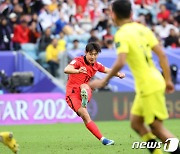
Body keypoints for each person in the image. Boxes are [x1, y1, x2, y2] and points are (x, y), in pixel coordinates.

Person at [90, 0, 180, 154]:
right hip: (154, 80)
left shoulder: (121, 34)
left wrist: (104, 80)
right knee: (136, 123)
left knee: (157, 129)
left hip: (148, 85)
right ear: (131, 13)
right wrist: (168, 80)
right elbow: (162, 55)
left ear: (113, 15)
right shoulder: (143, 29)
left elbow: (120, 62)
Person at [64, 42, 125, 145]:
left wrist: (118, 74)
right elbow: (66, 69)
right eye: (91, 54)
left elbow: (107, 70)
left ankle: (84, 98)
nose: (93, 57)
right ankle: (103, 140)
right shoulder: (78, 61)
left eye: (95, 54)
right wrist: (78, 70)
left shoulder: (96, 65)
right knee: (85, 116)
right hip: (72, 93)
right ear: (85, 53)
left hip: (85, 90)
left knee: (86, 86)